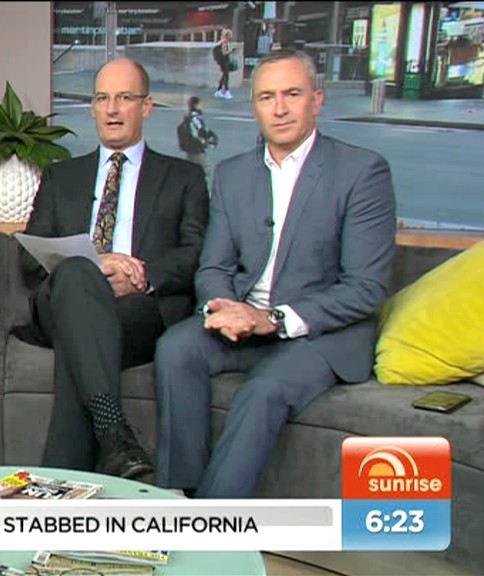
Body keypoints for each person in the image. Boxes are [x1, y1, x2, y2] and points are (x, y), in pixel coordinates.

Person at [154, 48, 397, 498]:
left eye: (292, 94)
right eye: (267, 97)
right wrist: (224, 308)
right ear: (255, 107)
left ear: (317, 100)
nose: (280, 108)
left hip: (321, 334)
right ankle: (179, 494)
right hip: (246, 324)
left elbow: (365, 288)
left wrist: (274, 319)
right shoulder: (232, 174)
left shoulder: (362, 171)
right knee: (176, 348)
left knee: (263, 390)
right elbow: (214, 266)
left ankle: (212, 523)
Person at [15, 58, 210, 480]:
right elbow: (29, 257)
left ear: (147, 106)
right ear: (92, 108)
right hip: (61, 300)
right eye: (102, 98)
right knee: (77, 275)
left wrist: (142, 273)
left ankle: (67, 479)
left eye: (124, 98)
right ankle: (113, 432)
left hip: (136, 309)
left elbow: (196, 252)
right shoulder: (62, 176)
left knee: (82, 341)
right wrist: (95, 264)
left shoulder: (184, 177)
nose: (112, 109)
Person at [177, 96, 217, 183]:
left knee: (192, 170)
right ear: (196, 105)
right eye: (200, 104)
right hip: (197, 149)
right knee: (202, 171)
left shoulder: (189, 117)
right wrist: (208, 142)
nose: (202, 106)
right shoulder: (195, 118)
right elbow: (202, 131)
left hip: (191, 149)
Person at [212, 29, 236, 99]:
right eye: (230, 35)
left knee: (224, 76)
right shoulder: (224, 43)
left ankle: (219, 91)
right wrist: (231, 51)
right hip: (224, 61)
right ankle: (226, 91)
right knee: (226, 76)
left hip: (222, 61)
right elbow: (224, 53)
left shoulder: (222, 42)